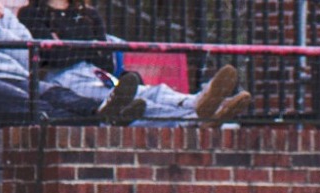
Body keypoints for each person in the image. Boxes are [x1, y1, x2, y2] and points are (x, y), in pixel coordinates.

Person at [17, 0, 251, 128]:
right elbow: (53, 57)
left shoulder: (89, 14)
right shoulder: (30, 14)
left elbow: (106, 58)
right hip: (64, 78)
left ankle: (200, 102)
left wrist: (68, 44)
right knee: (137, 103)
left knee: (151, 91)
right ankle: (199, 118)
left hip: (99, 74)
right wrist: (88, 45)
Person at [0, 0, 146, 127]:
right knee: (28, 103)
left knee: (57, 94)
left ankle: (103, 110)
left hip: (14, 76)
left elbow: (28, 56)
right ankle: (99, 123)